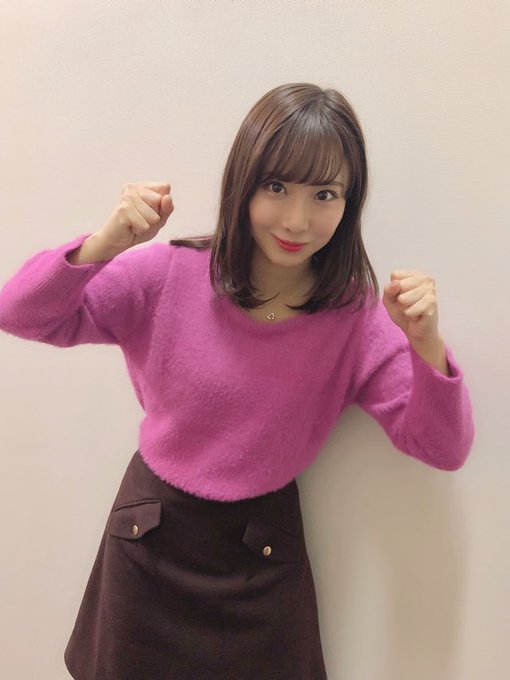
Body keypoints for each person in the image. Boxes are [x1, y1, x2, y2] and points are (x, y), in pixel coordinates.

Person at [0, 82, 475, 680]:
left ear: (349, 203)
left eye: (324, 194)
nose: (297, 220)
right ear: (243, 184)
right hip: (151, 537)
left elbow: (442, 447)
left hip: (262, 552)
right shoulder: (168, 275)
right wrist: (107, 242)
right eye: (276, 187)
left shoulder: (352, 317)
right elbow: (19, 313)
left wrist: (426, 344)